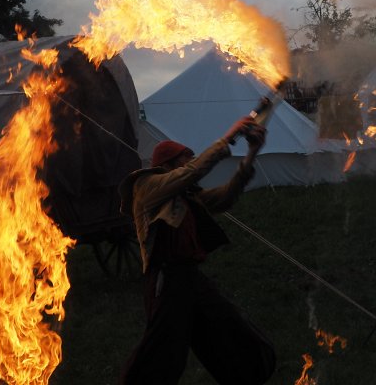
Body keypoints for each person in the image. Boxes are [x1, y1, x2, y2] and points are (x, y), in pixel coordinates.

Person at [118, 116, 276, 385]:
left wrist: (251, 153)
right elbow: (193, 171)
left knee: (230, 331)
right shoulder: (147, 188)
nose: (189, 163)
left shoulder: (185, 197)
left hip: (191, 278)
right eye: (184, 158)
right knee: (163, 355)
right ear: (166, 166)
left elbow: (226, 195)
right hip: (165, 281)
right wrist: (228, 138)